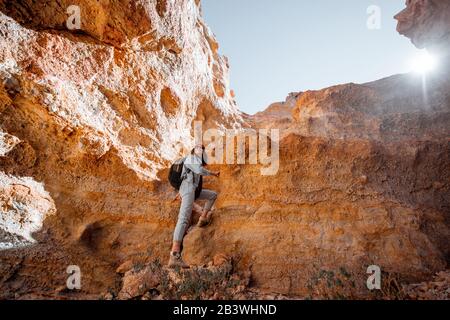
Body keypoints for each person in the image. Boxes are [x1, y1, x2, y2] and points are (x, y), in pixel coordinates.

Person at [168, 144, 220, 269]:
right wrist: (213, 173)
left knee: (212, 195)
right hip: (188, 189)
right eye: (198, 149)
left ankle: (202, 218)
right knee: (183, 219)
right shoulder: (191, 158)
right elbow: (198, 170)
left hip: (191, 190)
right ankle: (174, 256)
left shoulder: (194, 160)